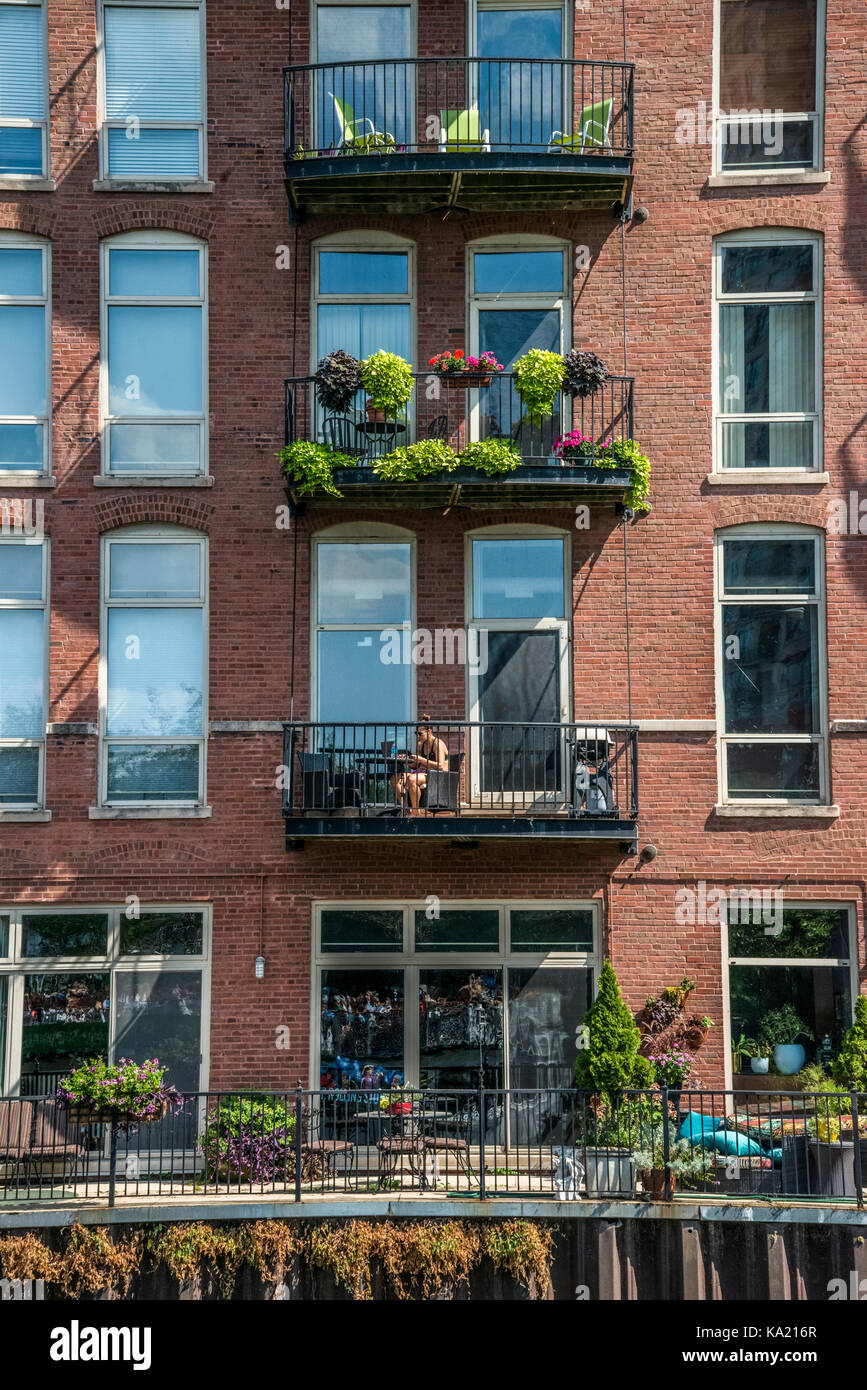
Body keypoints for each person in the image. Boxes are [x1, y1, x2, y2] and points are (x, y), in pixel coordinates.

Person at [394, 716, 449, 811]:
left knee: (412, 779)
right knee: (395, 778)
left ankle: (416, 811)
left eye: (420, 733)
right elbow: (415, 766)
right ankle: (406, 809)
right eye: (416, 733)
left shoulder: (437, 743)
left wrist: (421, 760)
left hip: (438, 775)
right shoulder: (421, 745)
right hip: (425, 774)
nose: (418, 736)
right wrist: (406, 760)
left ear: (429, 732)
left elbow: (440, 766)